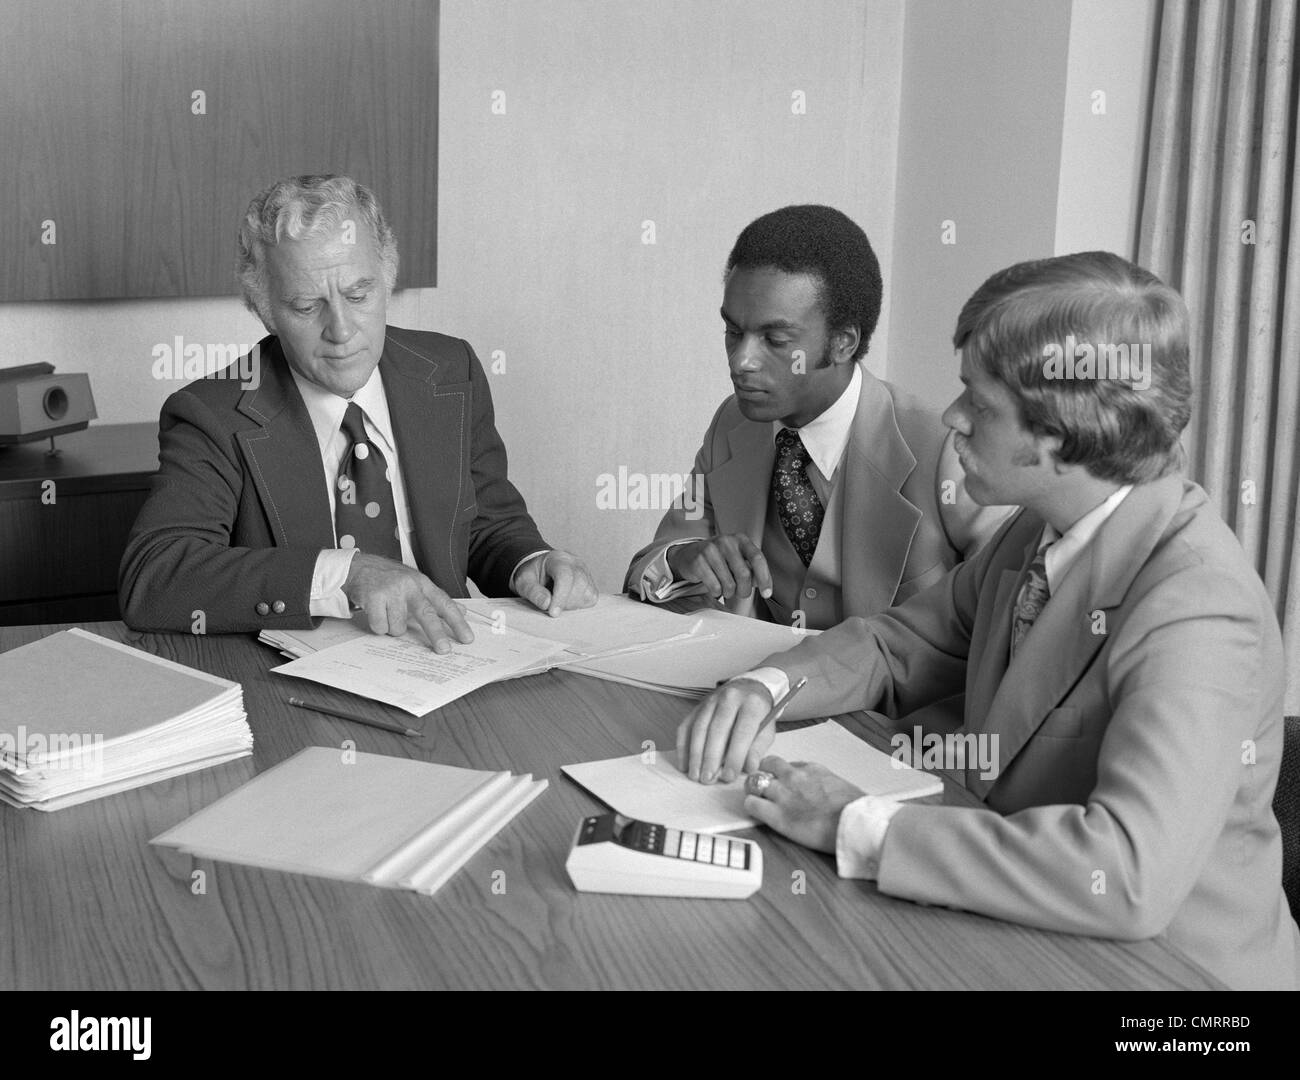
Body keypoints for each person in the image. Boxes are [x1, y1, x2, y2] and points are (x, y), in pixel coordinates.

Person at [676, 251, 1299, 990]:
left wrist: (855, 824)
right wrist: (768, 686)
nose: (952, 417)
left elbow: (1127, 871)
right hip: (1025, 934)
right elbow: (899, 641)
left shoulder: (1198, 604)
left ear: (1060, 433)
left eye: (978, 400)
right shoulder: (1036, 530)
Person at [120, 174, 595, 650]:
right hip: (297, 679)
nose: (341, 330)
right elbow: (156, 577)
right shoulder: (213, 412)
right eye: (307, 306)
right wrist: (345, 574)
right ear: (264, 310)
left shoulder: (452, 371)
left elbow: (487, 523)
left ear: (387, 279)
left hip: (447, 653)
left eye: (358, 294)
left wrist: (529, 560)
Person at [625, 204, 1007, 631]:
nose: (742, 361)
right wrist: (682, 558)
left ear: (843, 343)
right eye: (734, 331)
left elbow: (1003, 623)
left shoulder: (944, 451)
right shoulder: (733, 425)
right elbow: (650, 565)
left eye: (775, 339)